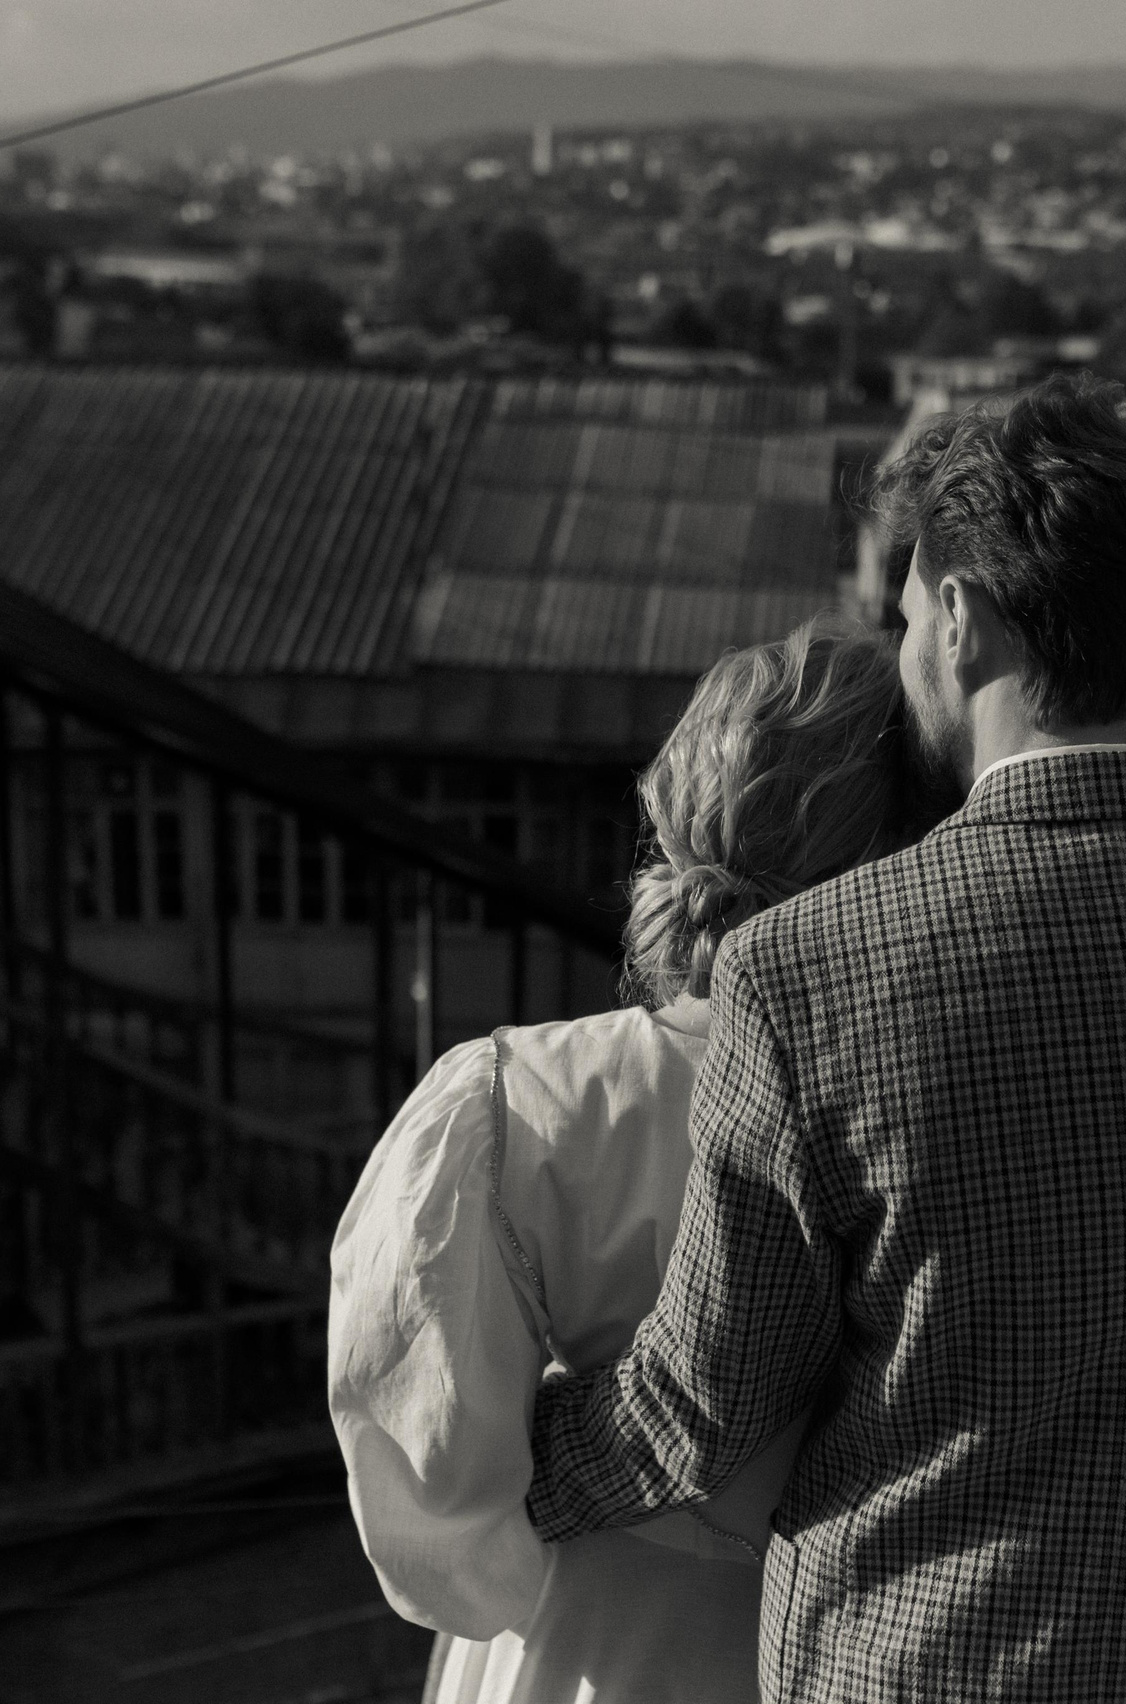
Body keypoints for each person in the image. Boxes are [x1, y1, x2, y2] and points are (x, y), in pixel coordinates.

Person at [526, 373, 1126, 1701]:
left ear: (961, 618)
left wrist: (495, 1459)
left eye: (908, 618)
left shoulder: (802, 972)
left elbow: (702, 1411)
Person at [328, 616, 916, 1704]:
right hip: (861, 1655)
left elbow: (439, 1521)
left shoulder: (513, 1105)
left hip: (580, 1655)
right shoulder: (938, 1113)